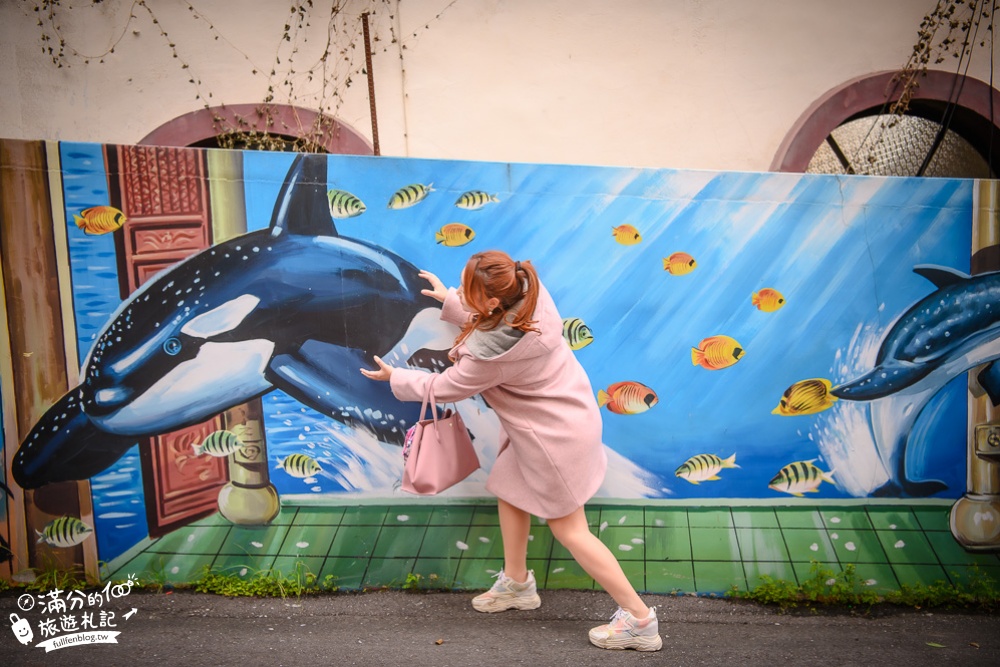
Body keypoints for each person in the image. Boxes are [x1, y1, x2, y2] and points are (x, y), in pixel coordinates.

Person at [360, 250, 662, 651]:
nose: (463, 295)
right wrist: (451, 300)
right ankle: (517, 584)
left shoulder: (490, 357)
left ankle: (640, 620)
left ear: (491, 302)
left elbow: (445, 386)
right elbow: (494, 324)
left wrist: (395, 376)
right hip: (562, 420)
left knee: (570, 529)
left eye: (468, 290)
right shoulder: (532, 298)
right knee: (509, 489)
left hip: (552, 439)